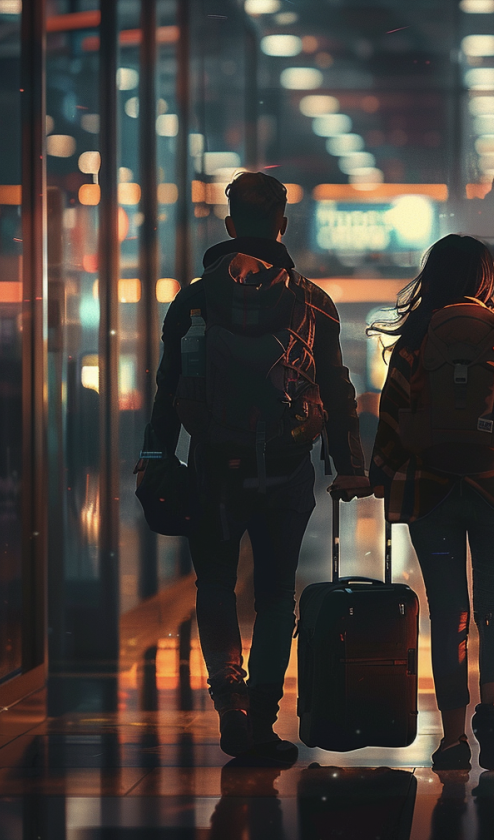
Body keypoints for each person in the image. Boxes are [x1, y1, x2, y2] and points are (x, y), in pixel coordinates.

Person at [144, 171, 372, 762]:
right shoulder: (313, 302)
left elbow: (169, 387)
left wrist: (154, 456)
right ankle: (264, 720)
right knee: (275, 595)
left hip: (214, 466)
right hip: (288, 468)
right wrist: (349, 463)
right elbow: (336, 386)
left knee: (215, 584)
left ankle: (230, 704)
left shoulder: (195, 299)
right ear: (282, 225)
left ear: (228, 226)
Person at [368, 234, 494, 771]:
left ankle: (452, 738)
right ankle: (492, 708)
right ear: (485, 279)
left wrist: (379, 475)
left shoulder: (418, 337)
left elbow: (393, 416)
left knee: (449, 612)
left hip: (432, 495)